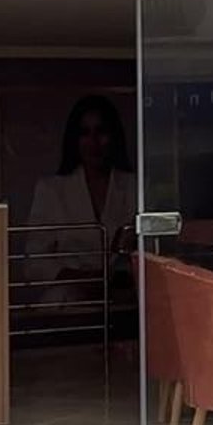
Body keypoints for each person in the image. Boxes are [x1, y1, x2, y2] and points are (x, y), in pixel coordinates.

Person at [25, 96, 138, 289]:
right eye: (85, 133)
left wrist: (121, 279)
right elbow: (33, 261)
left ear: (114, 136)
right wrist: (79, 279)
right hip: (69, 300)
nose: (94, 142)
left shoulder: (134, 186)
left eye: (101, 131)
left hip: (122, 298)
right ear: (74, 140)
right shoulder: (51, 190)